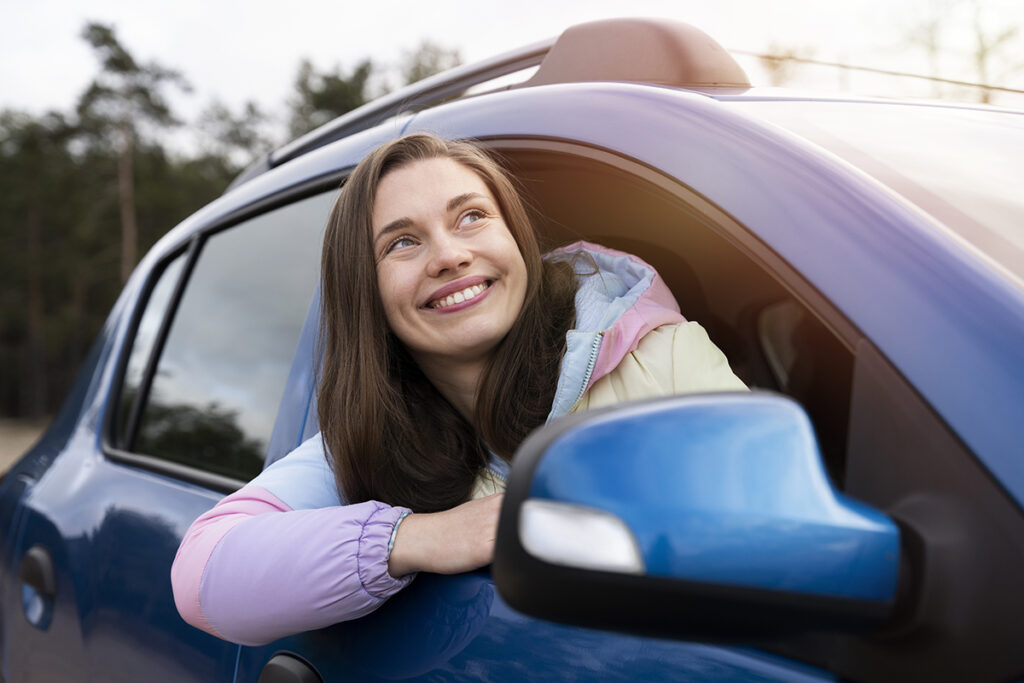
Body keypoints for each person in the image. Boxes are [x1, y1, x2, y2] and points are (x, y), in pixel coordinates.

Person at [170, 133, 746, 646]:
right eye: (402, 243)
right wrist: (424, 536)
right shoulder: (364, 446)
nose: (449, 256)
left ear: (515, 236)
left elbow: (766, 542)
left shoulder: (663, 359)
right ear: (366, 293)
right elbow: (201, 575)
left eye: (471, 216)